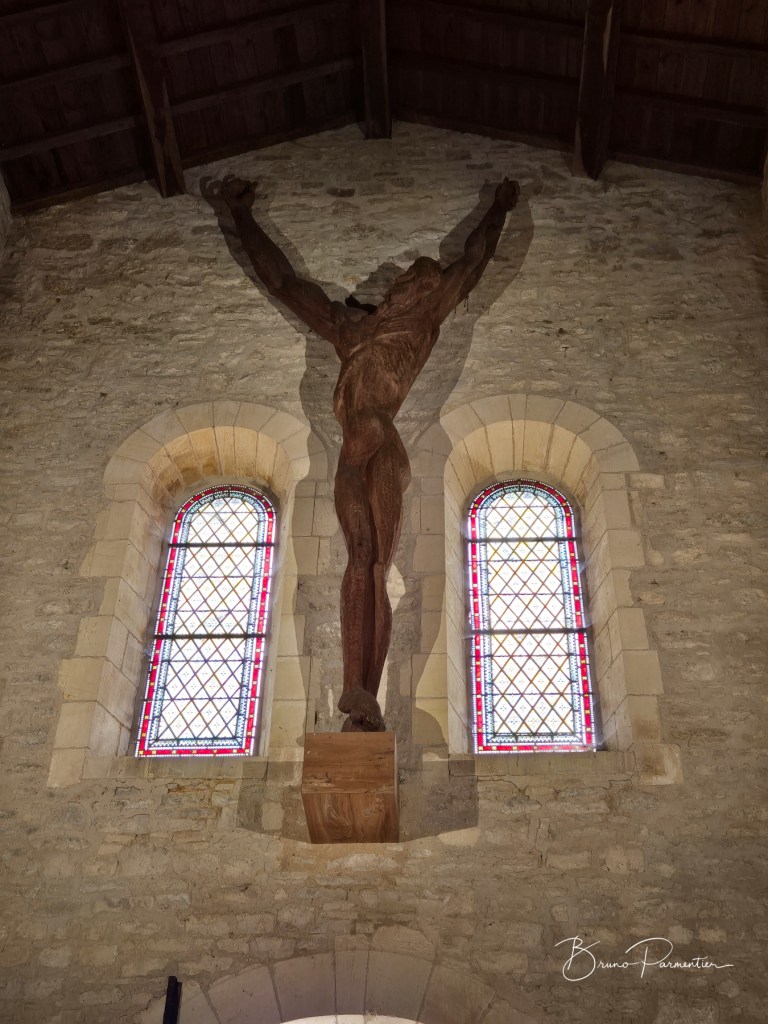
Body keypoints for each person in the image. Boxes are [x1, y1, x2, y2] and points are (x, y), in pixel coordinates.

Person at [213, 175, 520, 731]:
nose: (407, 283)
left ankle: (369, 696)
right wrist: (240, 215)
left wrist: (497, 208)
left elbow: (473, 261)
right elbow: (283, 282)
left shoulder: (422, 323)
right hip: (351, 449)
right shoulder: (347, 327)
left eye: (418, 279)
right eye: (408, 277)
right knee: (357, 555)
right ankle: (354, 689)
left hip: (383, 444)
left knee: (378, 565)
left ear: (425, 292)